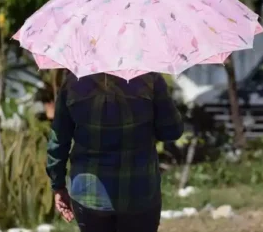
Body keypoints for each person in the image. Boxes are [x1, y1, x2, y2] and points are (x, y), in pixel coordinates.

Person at [46, 72, 184, 232]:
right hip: (140, 191)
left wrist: (58, 186)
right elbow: (172, 131)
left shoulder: (73, 82)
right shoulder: (150, 79)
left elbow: (59, 140)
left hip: (89, 194)